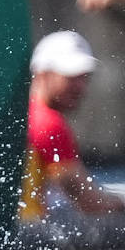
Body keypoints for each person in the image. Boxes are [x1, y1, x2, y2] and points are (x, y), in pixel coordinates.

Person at [18, 30, 125, 223]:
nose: (80, 87)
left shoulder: (20, 114)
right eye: (70, 76)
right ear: (42, 73)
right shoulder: (48, 124)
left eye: (84, 77)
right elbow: (90, 202)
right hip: (24, 237)